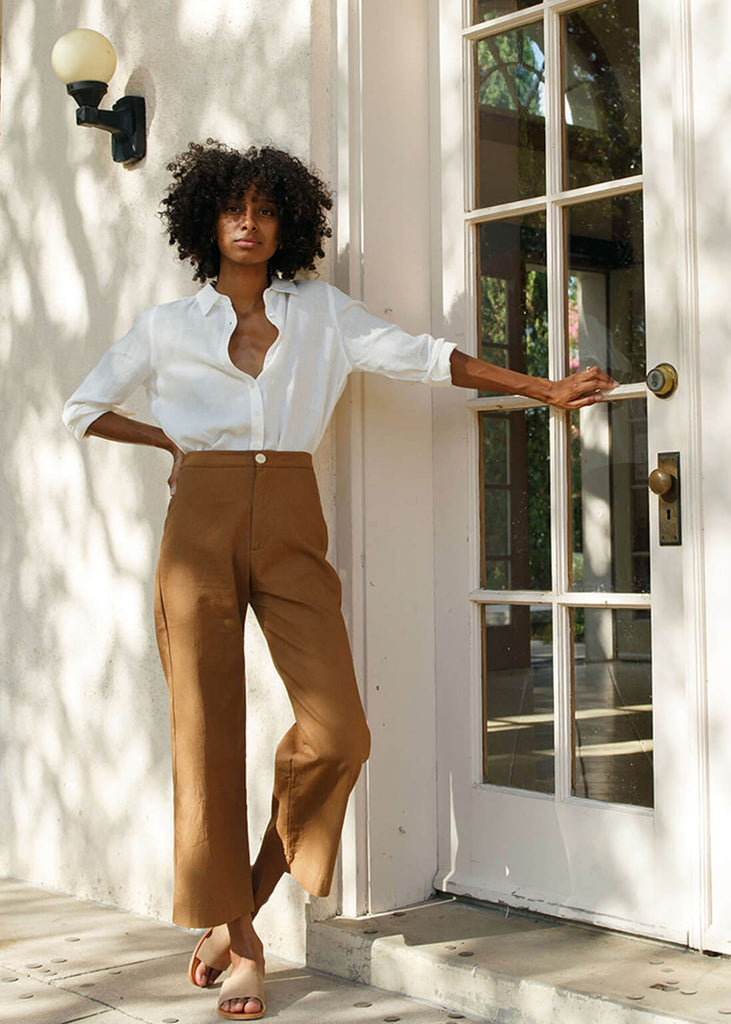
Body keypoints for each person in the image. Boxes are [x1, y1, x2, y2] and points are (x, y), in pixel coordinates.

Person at [62, 140, 616, 1021]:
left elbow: (423, 357)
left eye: (266, 209)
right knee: (203, 735)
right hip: (197, 527)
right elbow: (82, 408)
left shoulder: (320, 312)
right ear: (207, 220)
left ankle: (235, 898)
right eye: (233, 209)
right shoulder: (167, 327)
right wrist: (172, 443)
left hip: (289, 515)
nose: (249, 224)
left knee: (340, 731)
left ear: (287, 222)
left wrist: (539, 387)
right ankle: (242, 943)